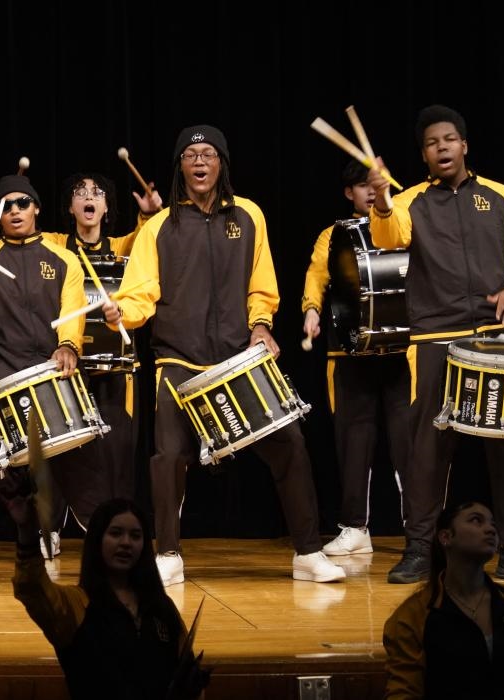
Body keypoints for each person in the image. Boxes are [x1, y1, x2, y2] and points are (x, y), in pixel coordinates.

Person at [101, 124, 346, 585]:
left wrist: (260, 325)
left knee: (290, 444)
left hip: (238, 358)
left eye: (208, 154)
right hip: (178, 358)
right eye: (190, 155)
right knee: (169, 456)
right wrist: (121, 314)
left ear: (222, 164)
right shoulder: (159, 226)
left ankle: (308, 552)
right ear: (180, 166)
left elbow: (261, 285)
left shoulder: (250, 215)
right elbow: (139, 295)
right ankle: (168, 554)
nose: (199, 161)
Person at [368, 104, 504, 583]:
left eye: (449, 139)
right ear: (424, 154)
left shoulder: (500, 196)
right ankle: (420, 548)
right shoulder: (410, 200)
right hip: (436, 335)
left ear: (464, 146)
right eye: (433, 142)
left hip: (496, 336)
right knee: (429, 448)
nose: (442, 147)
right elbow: (390, 238)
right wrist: (381, 202)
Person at [0, 173, 86, 584]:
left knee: (73, 468)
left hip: (45, 378)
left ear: (36, 208)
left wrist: (69, 346)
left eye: (22, 203)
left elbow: (72, 311)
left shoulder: (63, 259)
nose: (15, 211)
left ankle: (75, 541)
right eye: (5, 206)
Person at [0, 468, 209, 700]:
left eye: (135, 536)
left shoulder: (162, 608)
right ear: (97, 541)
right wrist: (27, 532)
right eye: (116, 533)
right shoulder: (77, 606)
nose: (126, 542)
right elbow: (32, 588)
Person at [37, 172, 162, 555]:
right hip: (66, 367)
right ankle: (49, 529)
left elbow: (148, 239)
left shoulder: (124, 247)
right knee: (59, 448)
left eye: (97, 193)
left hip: (116, 369)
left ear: (106, 207)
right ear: (70, 206)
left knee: (117, 455)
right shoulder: (54, 245)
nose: (88, 198)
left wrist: (149, 215)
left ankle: (115, 530)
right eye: (79, 193)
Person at [301, 161, 411, 556]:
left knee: (409, 442)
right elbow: (317, 274)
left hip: (402, 350)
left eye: (375, 184)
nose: (370, 191)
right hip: (348, 349)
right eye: (362, 186)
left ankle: (421, 529)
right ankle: (354, 528)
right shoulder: (333, 234)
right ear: (349, 192)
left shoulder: (403, 224)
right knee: (353, 441)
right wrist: (311, 310)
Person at [382, 500, 504, 699]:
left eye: (493, 524)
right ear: (446, 537)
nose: (490, 529)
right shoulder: (412, 616)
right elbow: (404, 691)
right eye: (476, 520)